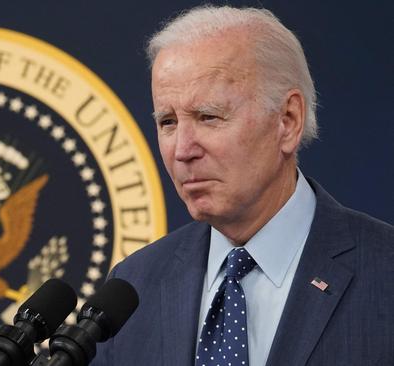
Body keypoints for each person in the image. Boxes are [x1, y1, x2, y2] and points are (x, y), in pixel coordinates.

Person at [91, 5, 393, 366]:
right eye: (168, 122)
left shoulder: (384, 273)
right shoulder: (133, 286)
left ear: (288, 120)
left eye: (208, 117)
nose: (182, 150)